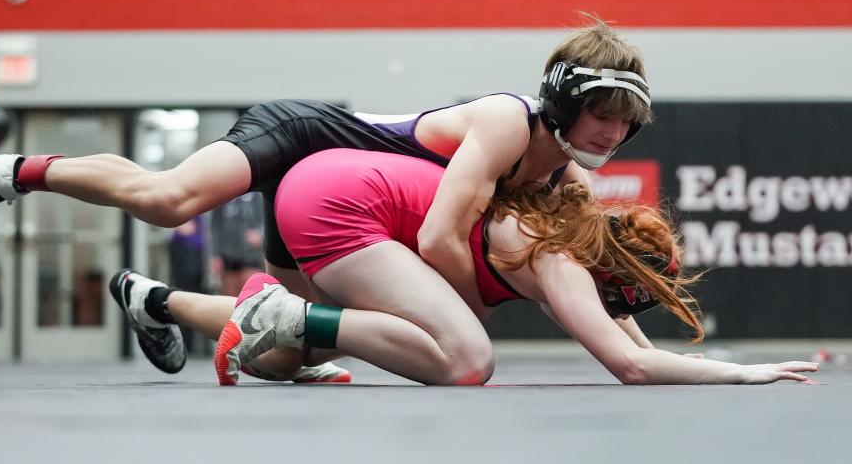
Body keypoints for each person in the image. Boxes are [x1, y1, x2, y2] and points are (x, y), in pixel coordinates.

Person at [0, 15, 652, 316]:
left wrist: (623, 328)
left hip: (335, 203)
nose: (614, 132)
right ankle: (9, 170)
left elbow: (580, 286)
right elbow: (436, 240)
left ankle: (155, 302)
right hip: (304, 138)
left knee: (299, 329)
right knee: (170, 199)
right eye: (604, 115)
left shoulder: (570, 179)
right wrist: (475, 308)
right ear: (563, 100)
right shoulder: (504, 124)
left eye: (626, 120)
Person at [113, 149, 819, 386]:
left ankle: (159, 299)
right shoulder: (562, 264)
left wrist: (706, 359)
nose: (624, 309)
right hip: (337, 201)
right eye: (628, 297)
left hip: (329, 187)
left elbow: (635, 342)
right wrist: (743, 371)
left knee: (298, 350)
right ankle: (285, 311)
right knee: (466, 358)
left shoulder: (570, 236)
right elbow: (630, 365)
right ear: (614, 278)